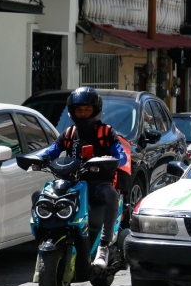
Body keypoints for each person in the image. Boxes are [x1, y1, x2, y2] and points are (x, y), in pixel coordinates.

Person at [41, 87, 128, 269]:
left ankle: (103, 245)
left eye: (87, 110)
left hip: (98, 184)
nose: (83, 114)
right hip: (72, 183)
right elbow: (52, 151)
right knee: (45, 195)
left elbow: (122, 156)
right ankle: (53, 234)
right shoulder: (69, 133)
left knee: (111, 194)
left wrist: (109, 160)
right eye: (79, 110)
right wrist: (41, 158)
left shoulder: (106, 132)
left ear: (95, 111)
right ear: (72, 112)